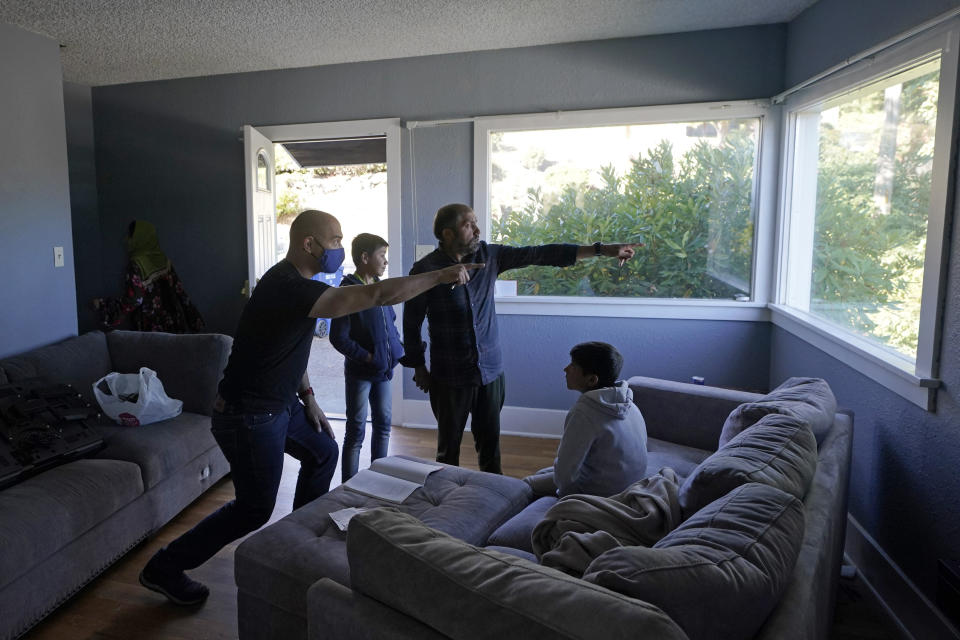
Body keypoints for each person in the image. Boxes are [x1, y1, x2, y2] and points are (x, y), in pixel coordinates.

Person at [138, 210, 481, 606]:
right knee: (253, 509)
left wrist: (310, 398)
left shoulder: (300, 285)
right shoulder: (286, 285)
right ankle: (164, 567)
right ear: (309, 244)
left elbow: (290, 350)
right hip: (247, 416)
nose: (339, 249)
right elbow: (375, 294)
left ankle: (297, 541)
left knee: (323, 451)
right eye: (334, 241)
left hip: (280, 407)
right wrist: (438, 276)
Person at [401, 203, 638, 474]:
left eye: (476, 222)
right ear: (447, 234)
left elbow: (540, 254)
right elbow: (412, 322)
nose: (478, 229)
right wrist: (418, 366)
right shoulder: (425, 269)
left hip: (490, 373)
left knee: (490, 450)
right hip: (449, 376)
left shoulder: (490, 256)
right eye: (468, 225)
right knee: (447, 452)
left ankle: (493, 499)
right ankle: (446, 503)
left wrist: (600, 249)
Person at [525, 342, 648, 498]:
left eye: (573, 366)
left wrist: (567, 499)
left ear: (591, 380)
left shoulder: (585, 413)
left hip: (600, 492)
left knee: (526, 484)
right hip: (628, 484)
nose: (566, 369)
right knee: (544, 472)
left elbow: (566, 471)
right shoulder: (629, 404)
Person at [330, 233, 403, 482]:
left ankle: (377, 481)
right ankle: (349, 486)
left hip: (383, 372)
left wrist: (396, 347)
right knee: (356, 430)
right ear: (364, 258)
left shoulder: (381, 289)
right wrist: (369, 357)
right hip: (362, 373)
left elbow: (390, 322)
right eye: (381, 255)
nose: (385, 261)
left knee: (383, 426)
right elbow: (338, 338)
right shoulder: (348, 292)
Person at [93, 220, 205, 333]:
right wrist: (195, 324)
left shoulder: (136, 264)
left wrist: (104, 306)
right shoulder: (163, 260)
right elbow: (181, 294)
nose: (126, 240)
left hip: (151, 328)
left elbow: (135, 299)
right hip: (174, 324)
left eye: (130, 236)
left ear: (140, 238)